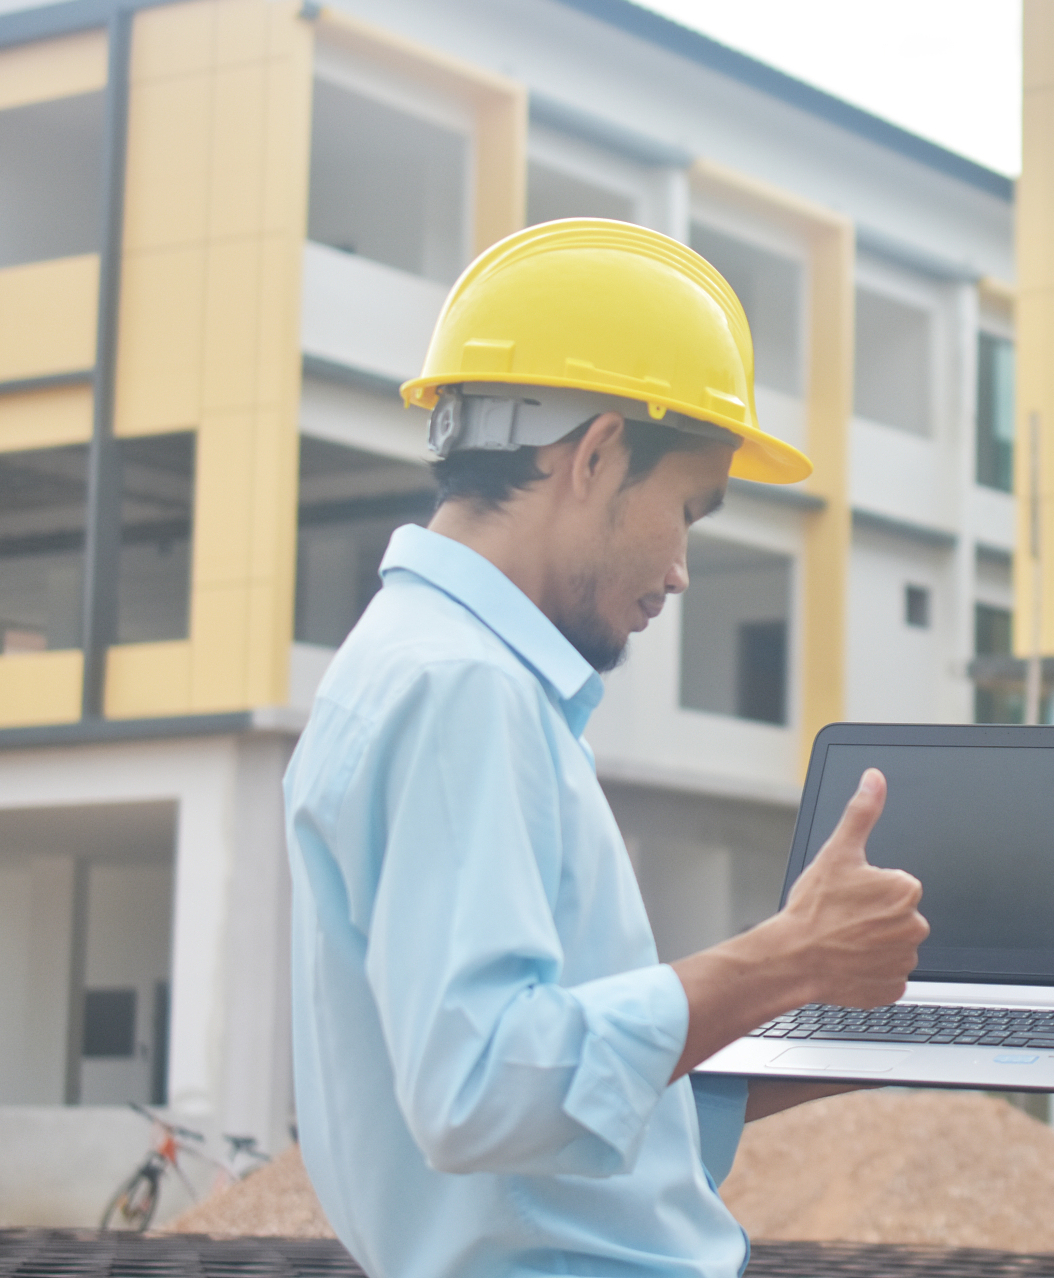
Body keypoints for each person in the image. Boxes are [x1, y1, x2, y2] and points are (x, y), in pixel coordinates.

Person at [285, 220, 929, 1278]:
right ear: (594, 455)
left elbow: (534, 1118)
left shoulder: (427, 668)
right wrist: (785, 954)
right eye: (688, 511)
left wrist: (836, 1017)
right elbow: (483, 1089)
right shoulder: (462, 689)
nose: (680, 570)